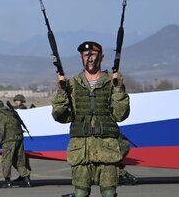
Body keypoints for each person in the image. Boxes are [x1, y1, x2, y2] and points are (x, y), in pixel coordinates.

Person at [52, 41, 130, 197]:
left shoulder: (111, 82)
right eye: (86, 55)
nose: (90, 58)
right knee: (80, 193)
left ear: (101, 57)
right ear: (81, 57)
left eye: (93, 54)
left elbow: (120, 115)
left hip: (106, 148)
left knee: (109, 193)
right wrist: (61, 92)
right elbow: (61, 116)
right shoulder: (72, 84)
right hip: (81, 149)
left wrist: (119, 89)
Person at [0, 100, 31, 188]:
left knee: (6, 160)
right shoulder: (10, 112)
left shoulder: (0, 115)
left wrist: (0, 143)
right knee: (19, 160)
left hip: (9, 140)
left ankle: (7, 182)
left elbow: (1, 130)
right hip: (19, 138)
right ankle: (26, 180)